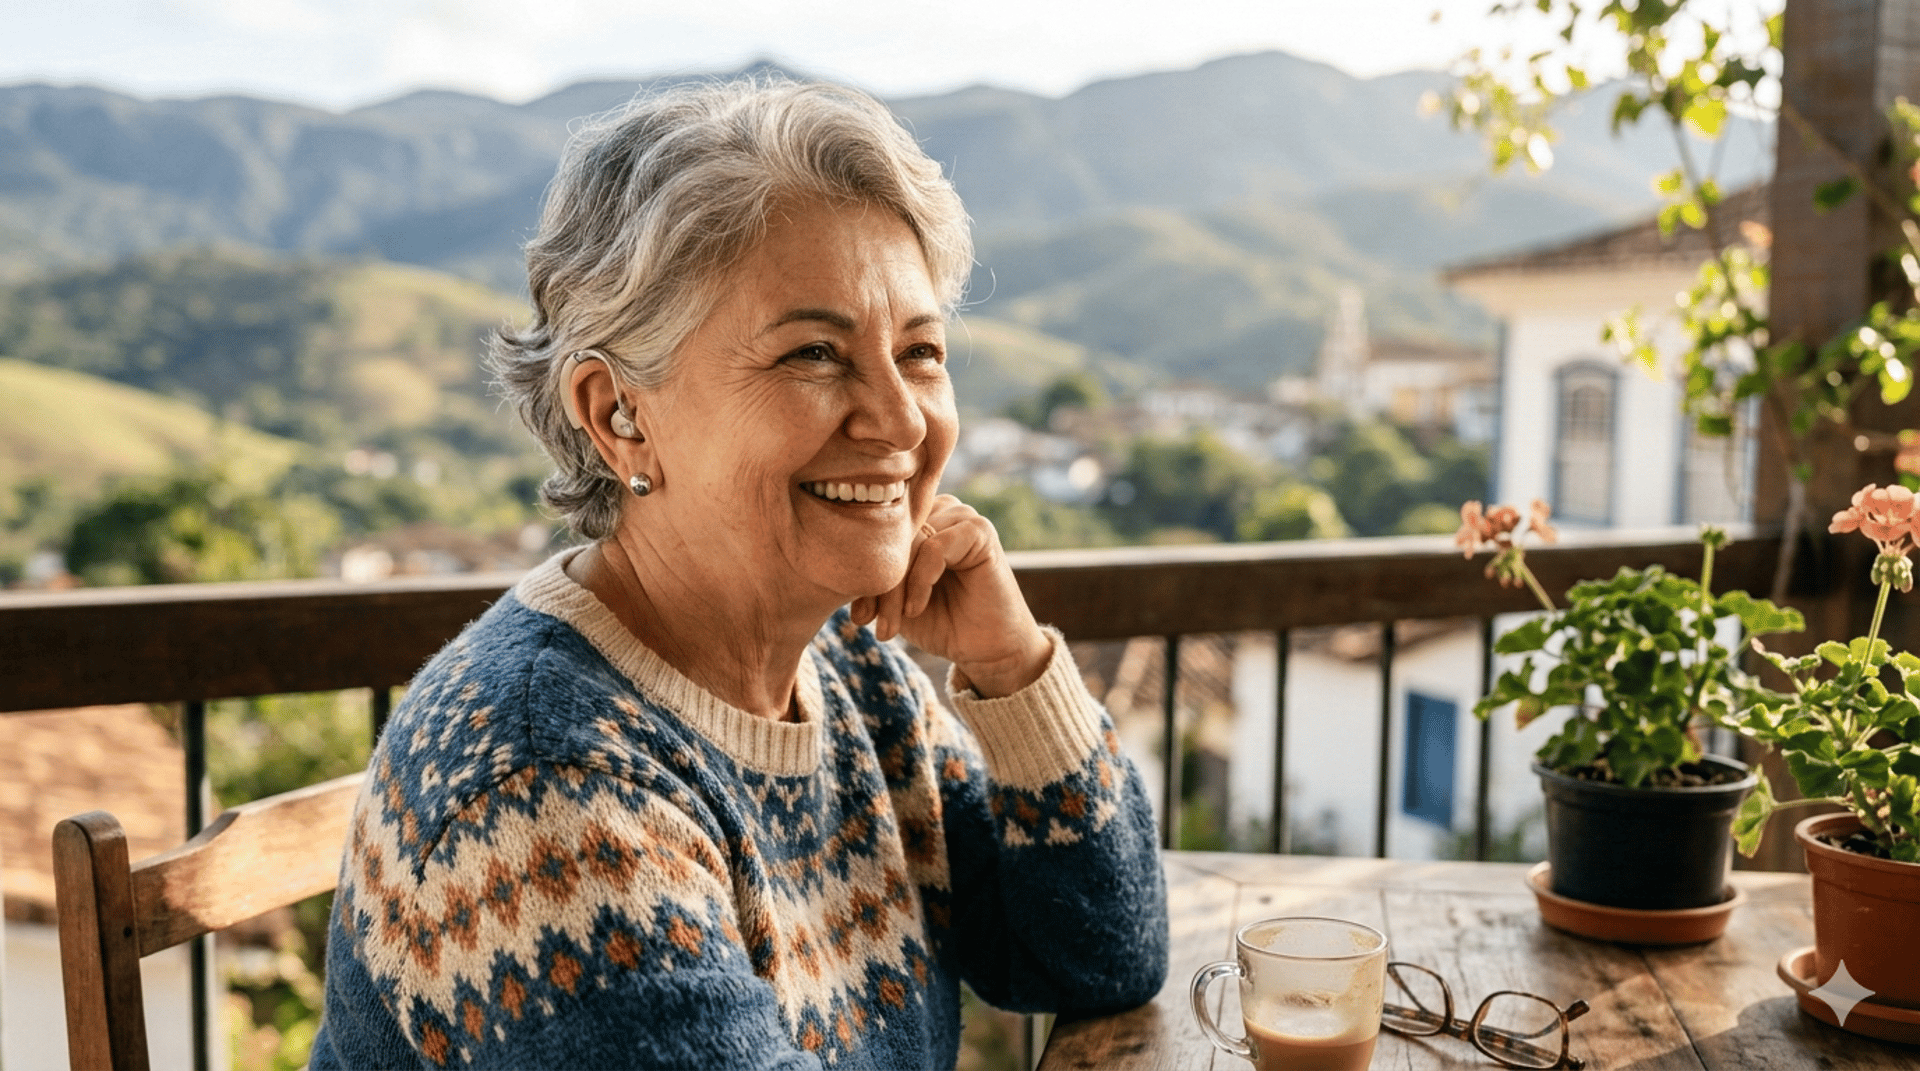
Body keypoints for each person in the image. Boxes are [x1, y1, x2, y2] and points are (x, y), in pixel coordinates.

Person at [307, 77, 1168, 1070]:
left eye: (921, 350)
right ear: (618, 412)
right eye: (813, 352)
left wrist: (1014, 665)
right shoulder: (548, 787)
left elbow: (1097, 960)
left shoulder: (850, 667)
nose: (898, 420)